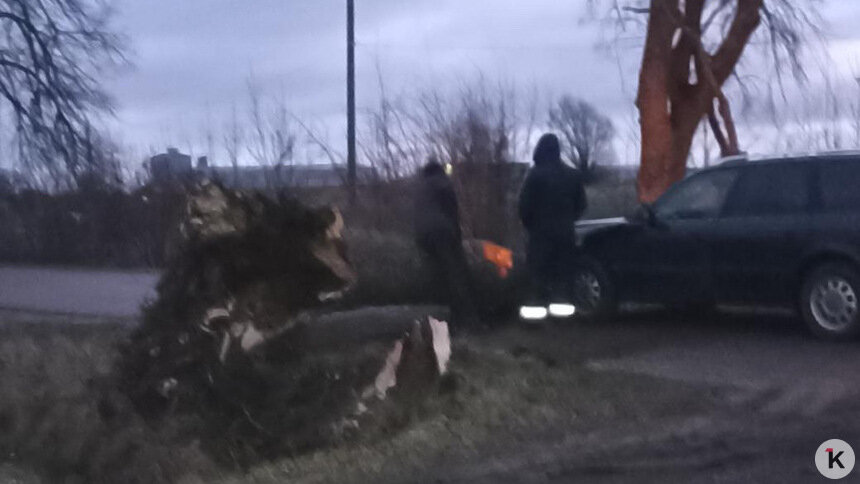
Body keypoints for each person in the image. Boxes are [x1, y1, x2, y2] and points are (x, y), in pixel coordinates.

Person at [518, 133, 587, 321]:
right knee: (563, 275)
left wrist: (531, 225)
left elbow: (524, 207)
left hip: (540, 234)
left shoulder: (535, 174)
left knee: (537, 274)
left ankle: (535, 316)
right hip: (565, 233)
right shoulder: (573, 175)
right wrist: (568, 220)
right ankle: (563, 317)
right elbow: (581, 205)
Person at [414, 159, 480, 329]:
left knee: (439, 272)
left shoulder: (420, 187)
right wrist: (457, 242)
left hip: (422, 236)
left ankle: (443, 313)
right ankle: (467, 319)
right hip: (441, 233)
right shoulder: (444, 184)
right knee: (456, 274)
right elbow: (452, 214)